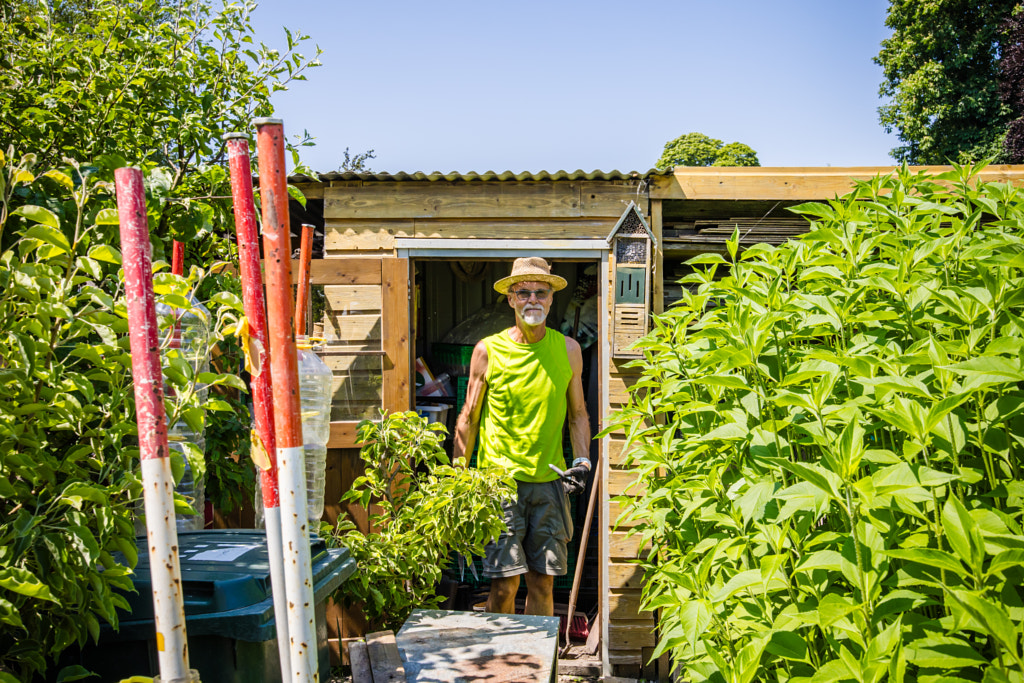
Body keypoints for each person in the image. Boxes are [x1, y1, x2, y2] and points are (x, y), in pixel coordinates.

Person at [454, 256, 592, 617]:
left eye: (540, 292)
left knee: (543, 583)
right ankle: (502, 668)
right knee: (503, 584)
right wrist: (457, 476)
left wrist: (581, 461)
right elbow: (468, 416)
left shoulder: (568, 350)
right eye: (524, 292)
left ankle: (540, 668)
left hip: (549, 484)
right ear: (511, 299)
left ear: (551, 299)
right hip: (499, 483)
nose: (533, 299)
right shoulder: (488, 350)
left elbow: (578, 415)